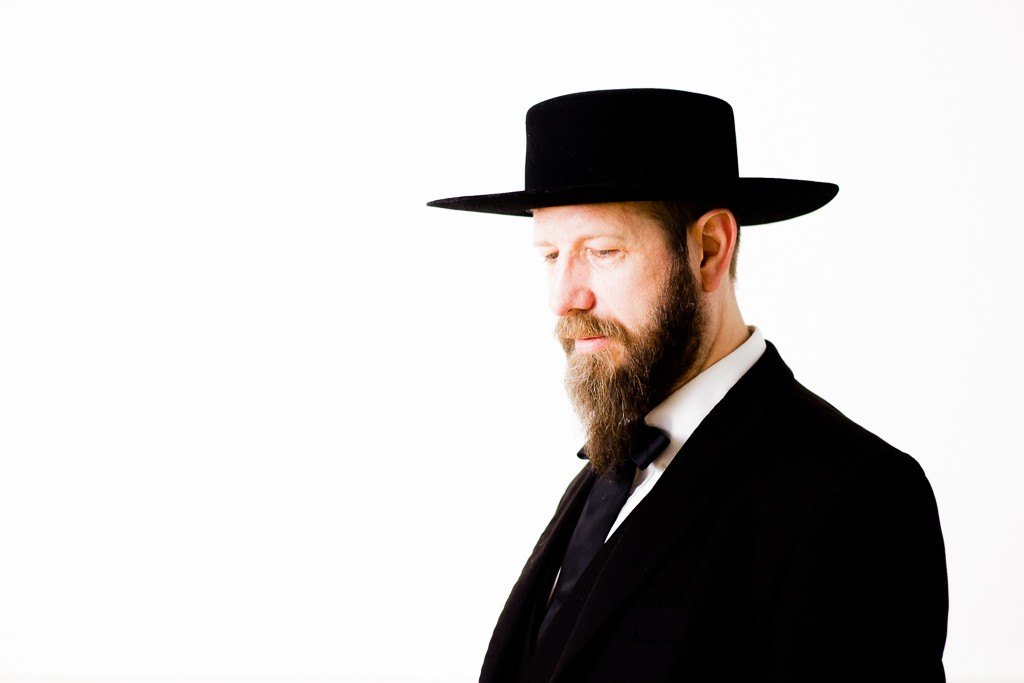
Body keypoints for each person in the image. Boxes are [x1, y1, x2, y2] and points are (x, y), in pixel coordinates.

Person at [428, 89, 948, 682]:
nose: (564, 298)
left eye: (602, 251)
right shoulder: (609, 471)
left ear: (708, 250)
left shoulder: (854, 495)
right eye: (551, 255)